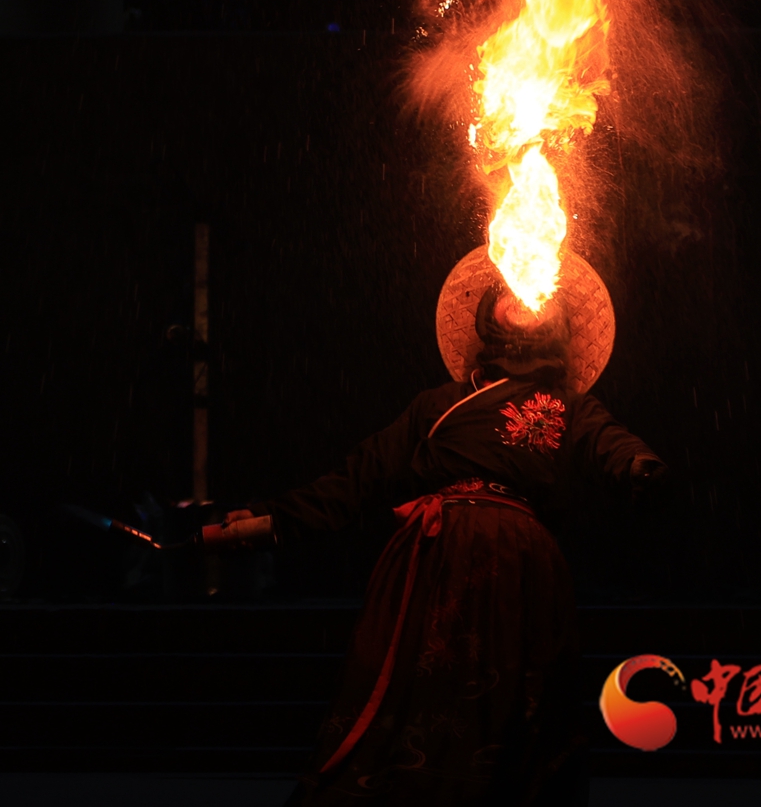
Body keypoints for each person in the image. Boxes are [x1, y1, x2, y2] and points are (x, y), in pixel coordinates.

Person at [224, 281, 668, 805]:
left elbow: (609, 442)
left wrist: (637, 465)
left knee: (511, 700)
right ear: (487, 317)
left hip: (516, 567)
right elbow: (361, 476)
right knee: (422, 697)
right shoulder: (437, 404)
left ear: (556, 323)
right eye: (508, 290)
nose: (522, 293)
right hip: (435, 560)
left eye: (534, 292)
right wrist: (271, 519)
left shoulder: (569, 405)